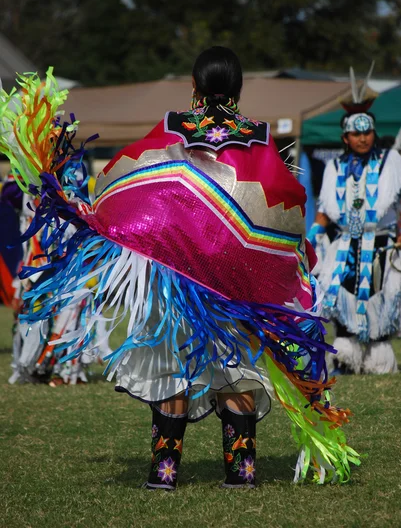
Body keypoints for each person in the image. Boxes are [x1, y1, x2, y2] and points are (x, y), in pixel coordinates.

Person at [0, 51, 358, 489]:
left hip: (175, 273)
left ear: (194, 84)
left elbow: (131, 177)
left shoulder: (173, 129)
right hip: (235, 277)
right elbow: (283, 203)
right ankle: (241, 472)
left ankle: (164, 473)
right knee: (237, 365)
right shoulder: (258, 136)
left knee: (171, 361)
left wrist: (100, 213)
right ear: (240, 87)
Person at [308, 69, 401, 374]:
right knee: (340, 297)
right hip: (345, 245)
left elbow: (397, 201)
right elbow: (324, 208)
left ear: (374, 133)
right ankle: (346, 358)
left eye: (368, 132)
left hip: (382, 244)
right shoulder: (334, 166)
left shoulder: (391, 161)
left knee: (381, 301)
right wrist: (312, 238)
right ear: (345, 137)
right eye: (356, 134)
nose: (363, 138)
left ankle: (378, 360)